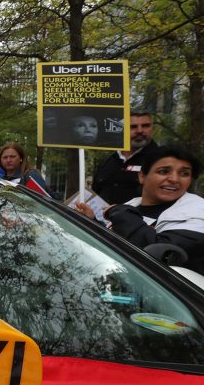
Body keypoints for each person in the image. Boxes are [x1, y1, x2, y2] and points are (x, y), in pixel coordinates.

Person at [76, 145, 204, 273]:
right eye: (164, 171)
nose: (174, 179)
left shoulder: (197, 212)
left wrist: (120, 214)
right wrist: (92, 223)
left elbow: (155, 252)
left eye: (184, 174)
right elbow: (118, 245)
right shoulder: (132, 205)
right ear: (142, 176)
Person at [92, 111, 158, 204]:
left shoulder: (161, 160)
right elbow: (96, 193)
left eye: (145, 126)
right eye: (133, 126)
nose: (140, 131)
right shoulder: (107, 160)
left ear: (152, 128)